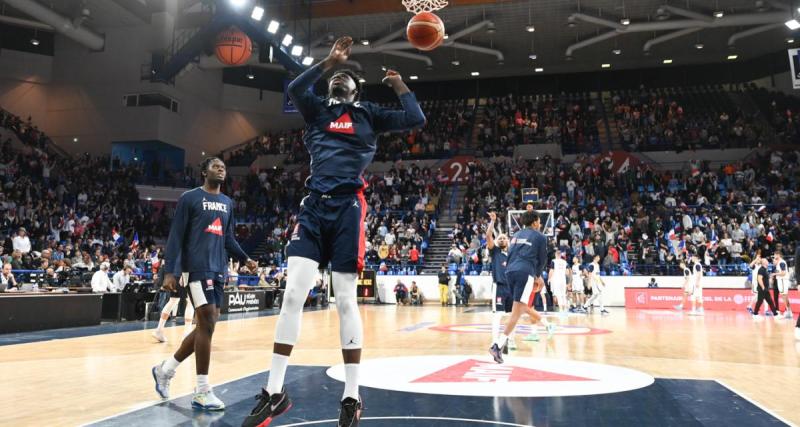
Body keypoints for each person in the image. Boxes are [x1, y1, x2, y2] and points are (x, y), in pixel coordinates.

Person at [243, 36, 425, 427]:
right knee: (292, 294)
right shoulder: (318, 111)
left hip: (347, 208)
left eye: (345, 77)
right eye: (334, 78)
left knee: (345, 299)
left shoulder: (369, 114)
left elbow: (415, 118)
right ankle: (274, 392)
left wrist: (398, 84)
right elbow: (294, 88)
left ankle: (351, 397)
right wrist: (329, 61)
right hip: (313, 207)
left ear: (356, 91)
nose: (339, 79)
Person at [151, 157, 257, 411]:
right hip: (195, 268)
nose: (221, 169)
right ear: (203, 172)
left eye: (223, 167)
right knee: (207, 320)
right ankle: (202, 390)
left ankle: (165, 370)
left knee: (206, 328)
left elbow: (228, 237)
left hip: (218, 268)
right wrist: (170, 272)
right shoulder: (190, 198)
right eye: (215, 166)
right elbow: (176, 235)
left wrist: (245, 258)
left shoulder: (228, 203)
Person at [489, 211, 553, 364]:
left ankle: (503, 343)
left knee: (517, 310)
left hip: (509, 272)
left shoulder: (516, 235)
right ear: (535, 222)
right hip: (525, 273)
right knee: (517, 311)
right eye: (539, 221)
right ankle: (497, 345)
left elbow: (510, 254)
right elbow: (543, 259)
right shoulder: (540, 237)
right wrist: (538, 277)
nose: (540, 224)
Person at [487, 212, 515, 352]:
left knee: (512, 315)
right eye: (500, 238)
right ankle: (494, 342)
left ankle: (509, 341)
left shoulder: (513, 254)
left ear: (508, 241)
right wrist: (492, 222)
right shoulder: (495, 252)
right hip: (499, 287)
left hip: (512, 288)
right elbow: (488, 236)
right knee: (497, 315)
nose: (502, 239)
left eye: (505, 238)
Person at [152, 273, 195, 343]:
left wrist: (164, 279)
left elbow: (165, 264)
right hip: (183, 275)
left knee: (172, 301)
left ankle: (159, 330)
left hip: (172, 276)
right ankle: (187, 334)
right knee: (190, 301)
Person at [770, 252, 792, 319]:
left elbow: (783, 273)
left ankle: (788, 311)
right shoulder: (779, 263)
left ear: (778, 255)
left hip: (782, 280)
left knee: (784, 296)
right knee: (785, 296)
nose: (774, 256)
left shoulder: (781, 262)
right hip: (782, 281)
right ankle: (789, 311)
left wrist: (774, 274)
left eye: (775, 255)